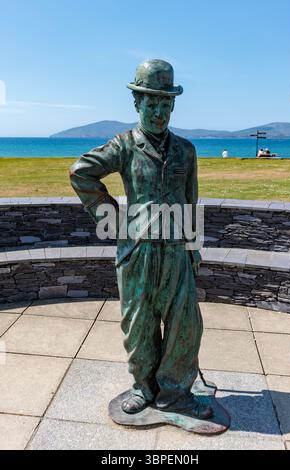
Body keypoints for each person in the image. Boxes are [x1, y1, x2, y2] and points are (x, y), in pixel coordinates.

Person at [69, 59, 212, 420]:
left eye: (166, 104)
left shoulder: (185, 150)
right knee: (139, 324)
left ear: (173, 106)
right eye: (152, 104)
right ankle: (143, 387)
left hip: (177, 250)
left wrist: (194, 245)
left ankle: (175, 393)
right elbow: (81, 173)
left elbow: (191, 199)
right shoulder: (125, 146)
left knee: (185, 324)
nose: (160, 112)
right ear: (138, 104)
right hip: (138, 251)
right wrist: (114, 219)